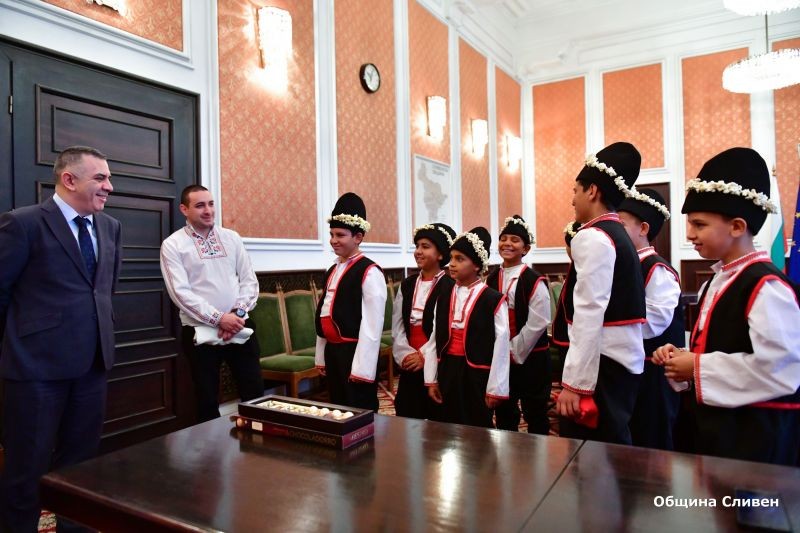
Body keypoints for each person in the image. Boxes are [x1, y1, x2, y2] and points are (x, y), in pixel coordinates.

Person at [0, 146, 122, 532]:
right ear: (69, 179)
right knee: (26, 470)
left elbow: (104, 289)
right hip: (35, 370)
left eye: (108, 178)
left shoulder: (110, 227)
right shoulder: (23, 224)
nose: (109, 186)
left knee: (81, 468)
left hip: (93, 365)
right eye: (100, 178)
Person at [653, 147, 800, 465]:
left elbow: (781, 371)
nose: (689, 234)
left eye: (699, 224)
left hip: (757, 441)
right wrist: (682, 358)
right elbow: (725, 346)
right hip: (720, 434)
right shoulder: (716, 281)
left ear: (736, 226)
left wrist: (696, 366)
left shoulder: (766, 287)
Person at [556, 142, 647, 445]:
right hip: (618, 362)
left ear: (592, 191)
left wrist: (575, 384)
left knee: (592, 452)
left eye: (575, 191)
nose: (573, 200)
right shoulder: (616, 232)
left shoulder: (593, 236)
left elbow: (589, 311)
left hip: (602, 364)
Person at [160, 185, 263, 423]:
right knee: (206, 400)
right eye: (200, 206)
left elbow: (249, 281)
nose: (208, 210)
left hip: (240, 327)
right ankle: (211, 447)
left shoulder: (231, 238)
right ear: (184, 209)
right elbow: (180, 293)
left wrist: (236, 315)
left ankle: (261, 439)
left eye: (211, 204)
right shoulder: (173, 245)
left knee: (255, 394)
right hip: (200, 332)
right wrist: (219, 319)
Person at [423, 227, 511, 428]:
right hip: (447, 369)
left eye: (460, 259)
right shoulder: (443, 296)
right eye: (451, 258)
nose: (452, 264)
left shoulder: (493, 300)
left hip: (477, 373)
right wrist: (432, 378)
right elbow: (435, 339)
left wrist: (495, 388)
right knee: (446, 423)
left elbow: (501, 347)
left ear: (477, 265)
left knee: (475, 424)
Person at [618, 188, 684, 450]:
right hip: (629, 366)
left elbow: (655, 320)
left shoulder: (656, 269)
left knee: (652, 436)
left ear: (643, 228)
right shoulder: (624, 264)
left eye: (621, 225)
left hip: (652, 370)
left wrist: (611, 331)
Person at [314, 192, 386, 411]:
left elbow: (372, 326)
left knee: (359, 407)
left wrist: (362, 369)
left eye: (340, 235)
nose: (333, 240)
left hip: (355, 352)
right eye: (331, 234)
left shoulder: (369, 271)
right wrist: (321, 356)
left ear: (358, 237)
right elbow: (324, 315)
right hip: (334, 352)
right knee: (338, 407)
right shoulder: (332, 270)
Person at [486, 215, 551, 434]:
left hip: (531, 356)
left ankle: (539, 451)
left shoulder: (534, 280)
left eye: (515, 240)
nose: (507, 243)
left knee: (535, 411)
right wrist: (501, 352)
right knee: (504, 410)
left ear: (526, 248)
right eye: (503, 239)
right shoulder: (491, 278)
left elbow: (538, 322)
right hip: (501, 356)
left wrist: (514, 350)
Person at [391, 222, 456, 419]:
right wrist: (405, 354)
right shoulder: (408, 284)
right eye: (417, 246)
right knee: (407, 414)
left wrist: (423, 356)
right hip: (409, 360)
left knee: (438, 417)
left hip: (435, 361)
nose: (418, 251)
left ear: (441, 255)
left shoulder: (450, 286)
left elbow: (447, 328)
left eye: (425, 247)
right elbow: (398, 324)